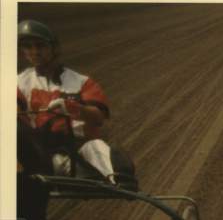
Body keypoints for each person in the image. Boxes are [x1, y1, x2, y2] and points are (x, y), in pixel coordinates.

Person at [16, 19, 136, 188]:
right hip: (40, 152)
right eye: (28, 46)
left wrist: (75, 109)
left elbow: (98, 117)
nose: (34, 51)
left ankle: (118, 180)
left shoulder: (81, 82)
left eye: (40, 45)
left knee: (97, 147)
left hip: (77, 150)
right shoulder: (19, 83)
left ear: (53, 48)